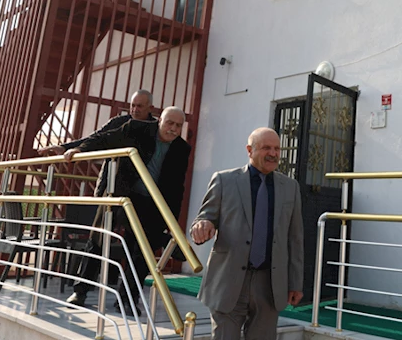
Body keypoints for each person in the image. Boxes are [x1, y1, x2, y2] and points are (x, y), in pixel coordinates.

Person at [63, 106, 191, 312]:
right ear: (160, 121)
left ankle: (127, 300)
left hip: (150, 204)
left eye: (178, 125)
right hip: (120, 195)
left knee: (143, 252)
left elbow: (177, 187)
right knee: (97, 241)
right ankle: (80, 291)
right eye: (170, 123)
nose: (174, 129)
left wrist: (171, 222)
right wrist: (80, 150)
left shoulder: (182, 148)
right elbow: (106, 138)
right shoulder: (136, 129)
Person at [191, 127, 304, 340]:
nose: (273, 153)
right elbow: (204, 217)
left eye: (277, 149)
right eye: (266, 148)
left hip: (269, 284)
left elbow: (295, 239)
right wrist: (202, 225)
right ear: (249, 150)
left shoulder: (290, 187)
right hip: (228, 281)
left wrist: (295, 283)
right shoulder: (224, 181)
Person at [38, 89, 156, 197]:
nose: (135, 109)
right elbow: (95, 138)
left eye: (139, 106)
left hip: (143, 187)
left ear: (150, 108)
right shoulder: (118, 122)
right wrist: (65, 147)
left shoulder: (156, 129)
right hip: (111, 180)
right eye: (133, 105)